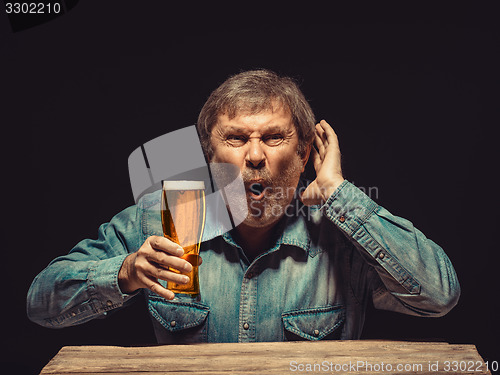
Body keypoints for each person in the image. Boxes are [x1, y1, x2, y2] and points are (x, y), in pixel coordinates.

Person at [27, 69, 460, 343]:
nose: (254, 156)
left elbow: (439, 295)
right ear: (208, 156)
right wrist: (123, 274)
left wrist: (339, 192)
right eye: (235, 139)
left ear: (305, 154)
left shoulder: (343, 239)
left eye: (274, 137)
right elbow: (41, 301)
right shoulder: (162, 218)